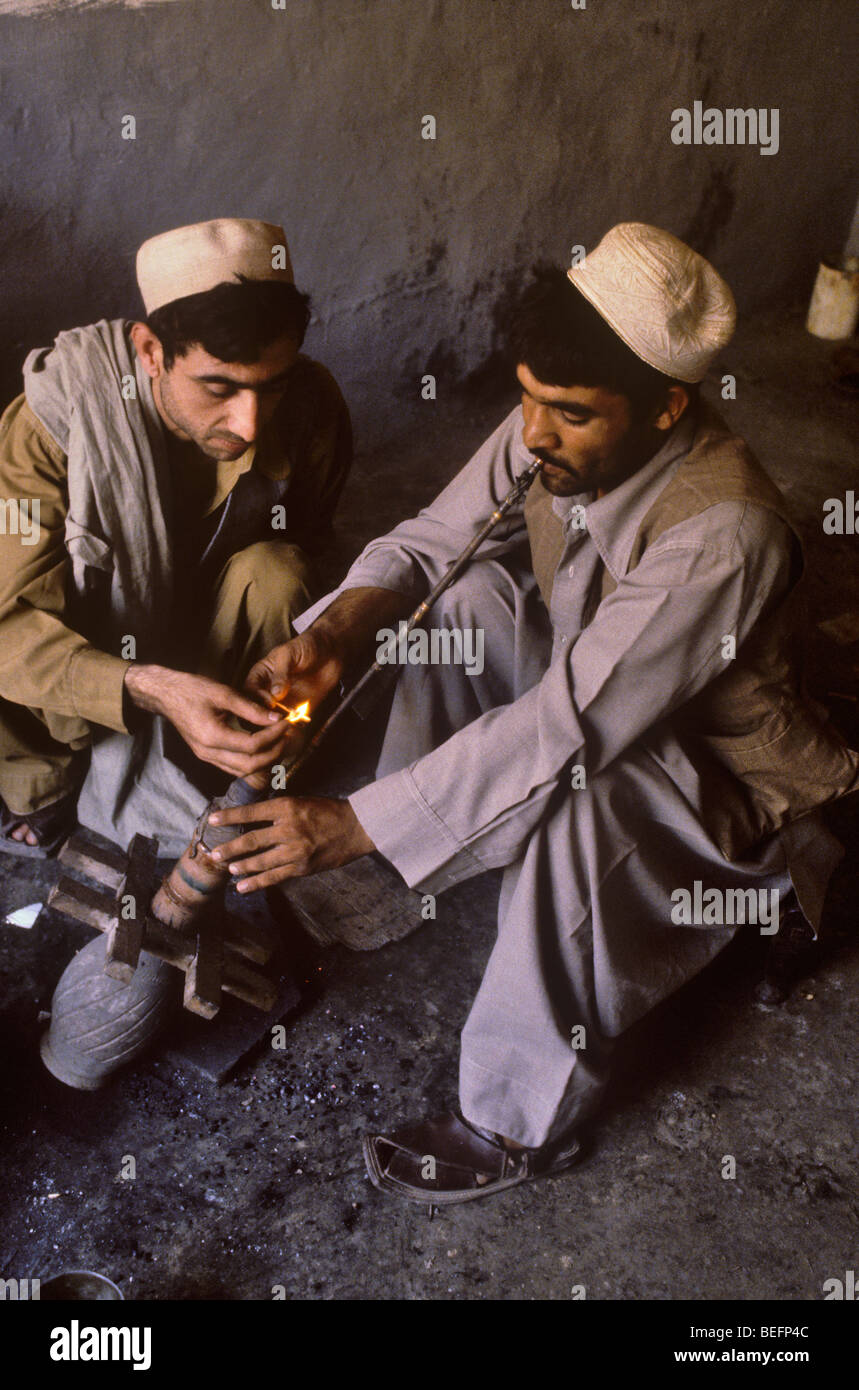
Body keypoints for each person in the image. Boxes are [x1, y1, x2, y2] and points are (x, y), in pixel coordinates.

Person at [208, 223, 859, 1204]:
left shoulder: (725, 532)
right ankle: (422, 860)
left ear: (668, 406)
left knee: (575, 796)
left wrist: (347, 821)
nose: (534, 433)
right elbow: (437, 542)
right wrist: (337, 630)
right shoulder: (555, 422)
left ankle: (518, 1121)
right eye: (526, 400)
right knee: (468, 607)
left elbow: (569, 726)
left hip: (722, 783)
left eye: (566, 414)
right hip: (597, 700)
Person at [0, 218, 352, 856]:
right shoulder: (49, 424)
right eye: (218, 387)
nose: (246, 423)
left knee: (280, 568)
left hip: (201, 626)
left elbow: (310, 541)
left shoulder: (311, 406)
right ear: (151, 351)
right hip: (90, 645)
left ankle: (228, 753)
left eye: (268, 388)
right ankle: (45, 784)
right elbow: (9, 628)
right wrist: (150, 685)